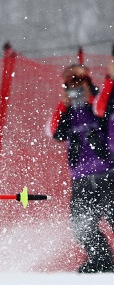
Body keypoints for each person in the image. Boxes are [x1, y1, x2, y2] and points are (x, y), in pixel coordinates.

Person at [46, 63, 114, 273]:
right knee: (81, 226)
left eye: (79, 82)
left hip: (107, 174)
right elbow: (53, 132)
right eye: (70, 84)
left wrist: (90, 97)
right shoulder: (68, 111)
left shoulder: (99, 103)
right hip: (82, 178)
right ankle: (101, 260)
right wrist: (64, 104)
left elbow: (103, 107)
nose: (76, 88)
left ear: (87, 82)